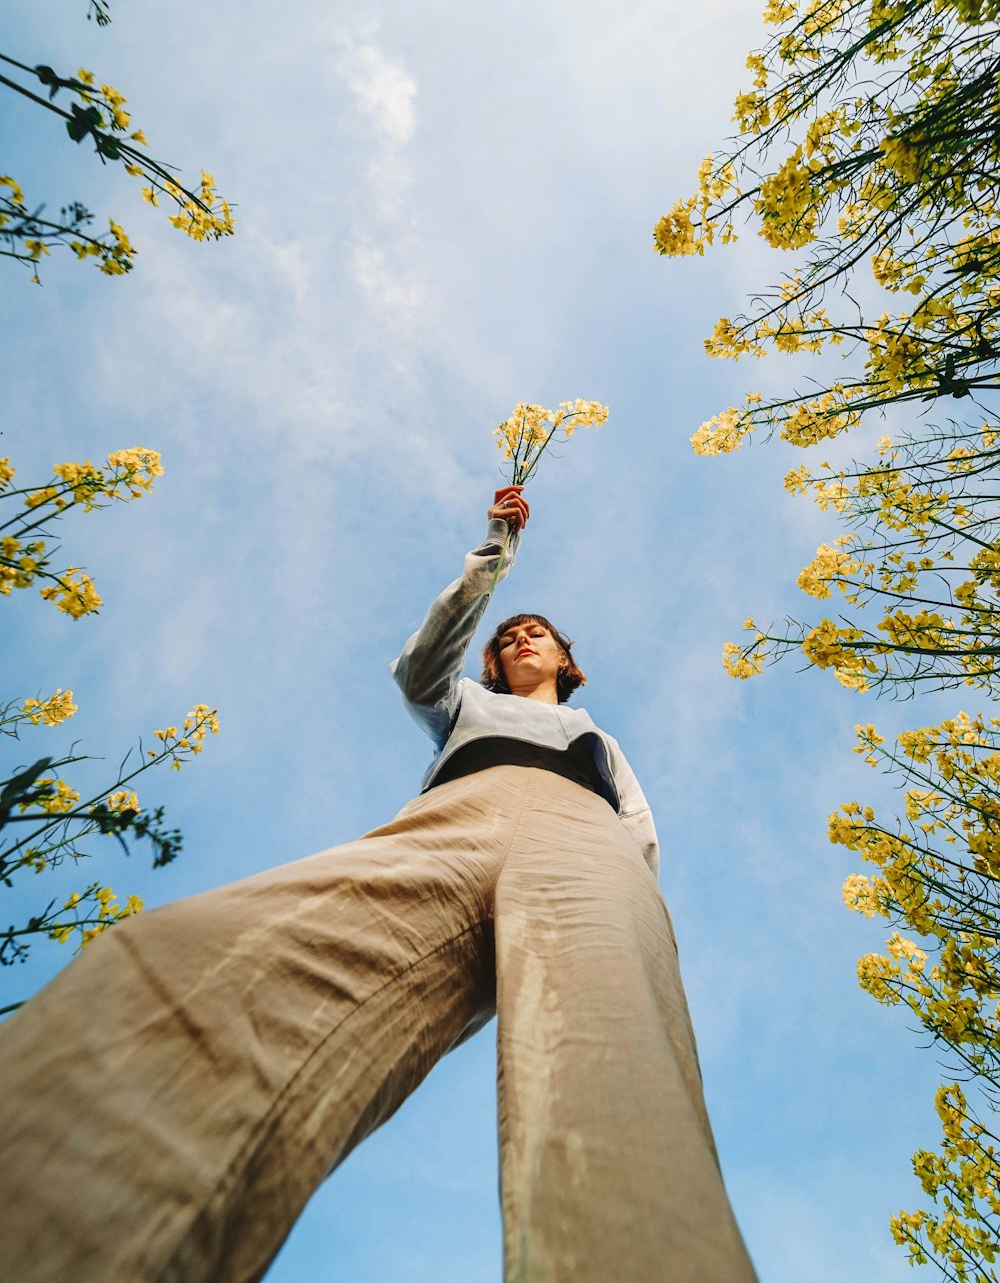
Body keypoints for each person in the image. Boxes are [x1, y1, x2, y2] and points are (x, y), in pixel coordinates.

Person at [0, 489, 758, 1283]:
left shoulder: (597, 735)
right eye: (507, 639)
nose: (520, 640)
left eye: (538, 635)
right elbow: (422, 668)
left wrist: (627, 909)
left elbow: (638, 829)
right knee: (198, 956)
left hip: (586, 842)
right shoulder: (463, 703)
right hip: (457, 814)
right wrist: (493, 557)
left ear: (566, 662)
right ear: (493, 663)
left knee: (612, 1050)